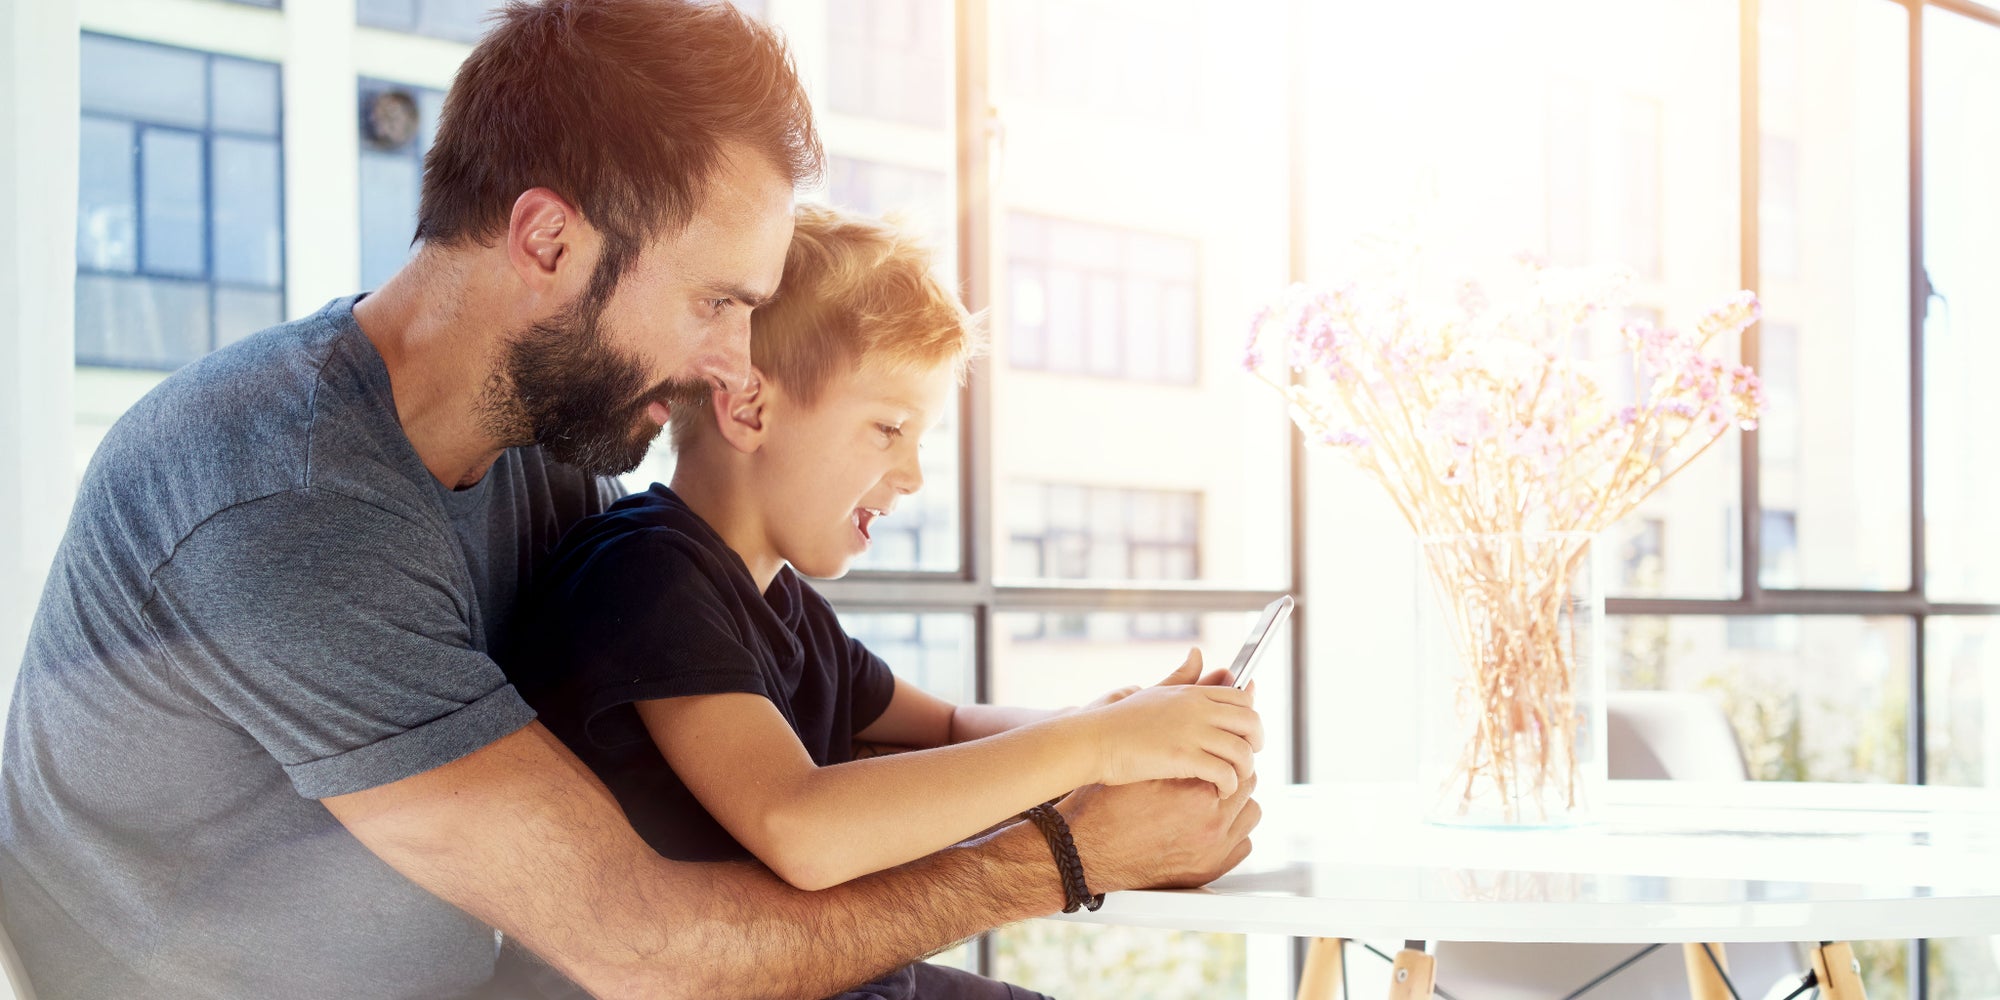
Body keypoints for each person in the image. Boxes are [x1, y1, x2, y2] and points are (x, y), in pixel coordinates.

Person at [0, 2, 1260, 999]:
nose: (732, 366)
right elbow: (647, 951)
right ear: (546, 242)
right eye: (716, 301)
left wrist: (1100, 734)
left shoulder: (555, 443)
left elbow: (765, 747)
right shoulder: (285, 503)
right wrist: (1069, 854)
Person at [500, 206, 1263, 998]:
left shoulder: (783, 602)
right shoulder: (647, 574)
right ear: (749, 409)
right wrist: (1097, 745)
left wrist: (1129, 724)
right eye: (888, 429)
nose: (914, 476)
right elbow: (801, 825)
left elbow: (949, 730)